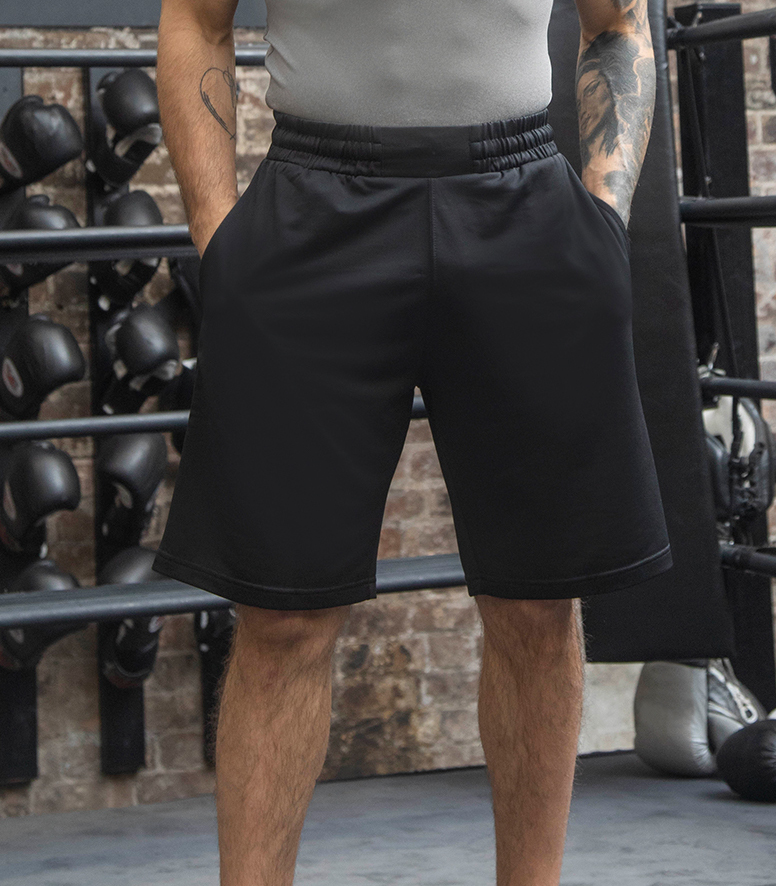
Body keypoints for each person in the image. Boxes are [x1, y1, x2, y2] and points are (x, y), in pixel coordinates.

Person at [151, 0, 673, 883]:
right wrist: (221, 241)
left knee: (540, 608)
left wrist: (605, 215)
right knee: (279, 617)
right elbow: (195, 20)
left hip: (529, 207)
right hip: (311, 203)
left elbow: (617, 21)